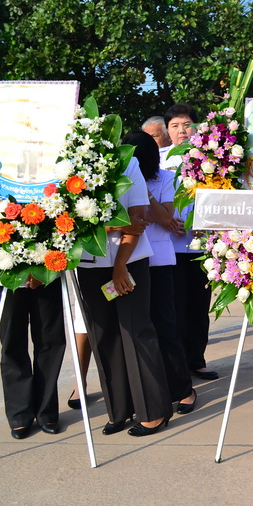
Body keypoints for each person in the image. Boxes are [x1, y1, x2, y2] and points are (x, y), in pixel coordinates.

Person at [75, 151, 173, 436]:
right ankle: (119, 410)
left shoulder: (125, 161)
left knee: (136, 331)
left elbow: (138, 218)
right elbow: (69, 223)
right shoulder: (67, 165)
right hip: (89, 262)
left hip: (129, 259)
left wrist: (119, 266)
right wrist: (114, 226)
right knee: (102, 335)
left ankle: (154, 412)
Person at [121, 130, 197, 414]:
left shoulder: (166, 178)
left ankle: (183, 389)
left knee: (165, 326)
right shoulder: (119, 180)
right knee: (135, 330)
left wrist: (143, 191)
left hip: (159, 262)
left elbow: (166, 218)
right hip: (127, 260)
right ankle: (144, 392)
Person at [163, 103, 217, 381]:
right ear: (167, 130)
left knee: (199, 306)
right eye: (175, 125)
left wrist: (206, 223)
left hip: (200, 246)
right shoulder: (160, 160)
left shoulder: (211, 157)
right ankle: (177, 366)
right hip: (169, 246)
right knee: (175, 308)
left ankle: (197, 359)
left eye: (186, 124)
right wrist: (166, 220)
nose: (181, 130)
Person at [0, 276, 66, 439]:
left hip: (46, 272)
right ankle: (19, 413)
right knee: (12, 343)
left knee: (49, 341)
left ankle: (47, 411)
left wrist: (40, 271)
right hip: (5, 276)